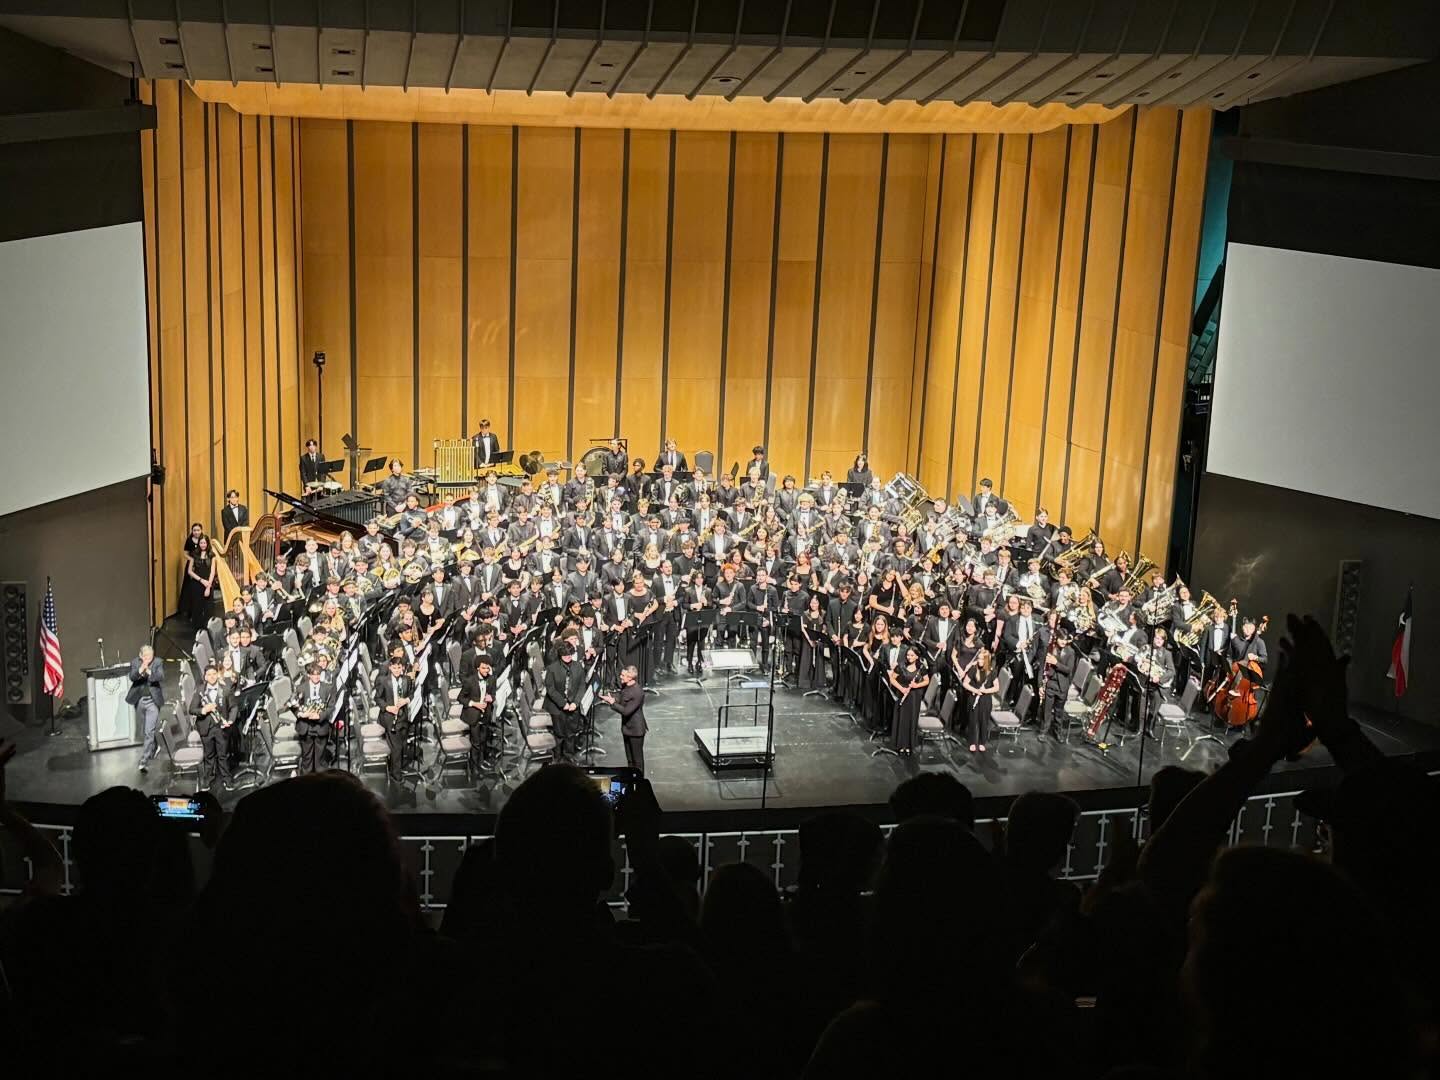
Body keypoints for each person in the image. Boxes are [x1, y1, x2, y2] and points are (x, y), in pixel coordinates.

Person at [189, 662, 234, 788]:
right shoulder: (199, 690)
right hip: (205, 728)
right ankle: (208, 778)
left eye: (214, 674)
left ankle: (227, 778)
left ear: (218, 675)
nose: (212, 676)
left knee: (223, 755)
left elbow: (234, 707)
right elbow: (191, 709)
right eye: (209, 674)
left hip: (221, 728)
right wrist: (203, 710)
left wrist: (230, 720)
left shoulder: (225, 689)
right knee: (208, 756)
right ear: (205, 677)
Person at [374, 655, 414, 783]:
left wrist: (406, 700)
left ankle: (395, 767)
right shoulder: (384, 681)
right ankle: (396, 774)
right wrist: (388, 708)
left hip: (403, 716)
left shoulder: (406, 680)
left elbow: (412, 693)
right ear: (390, 668)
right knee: (397, 747)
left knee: (401, 744)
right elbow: (378, 698)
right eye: (394, 668)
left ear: (402, 668)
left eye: (399, 668)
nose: (397, 670)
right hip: (389, 717)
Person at [601, 664, 647, 774]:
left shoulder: (637, 692)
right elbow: (622, 697)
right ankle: (631, 780)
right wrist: (612, 698)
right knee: (630, 760)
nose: (620, 677)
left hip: (636, 730)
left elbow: (626, 711)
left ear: (630, 677)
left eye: (623, 675)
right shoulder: (626, 686)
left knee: (637, 761)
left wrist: (612, 703)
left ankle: (639, 783)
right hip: (627, 728)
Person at [544, 637, 585, 761]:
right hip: (557, 706)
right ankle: (557, 756)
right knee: (559, 733)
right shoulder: (552, 668)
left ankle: (569, 755)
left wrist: (575, 703)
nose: (568, 657)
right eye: (565, 655)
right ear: (560, 654)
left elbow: (582, 686)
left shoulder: (578, 667)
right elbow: (551, 690)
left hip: (573, 706)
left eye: (570, 654)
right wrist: (563, 704)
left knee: (571, 733)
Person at [126, 644, 165, 773]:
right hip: (140, 700)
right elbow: (132, 677)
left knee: (149, 731)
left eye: (151, 655)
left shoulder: (158, 662)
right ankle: (154, 746)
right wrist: (140, 670)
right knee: (144, 730)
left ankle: (144, 760)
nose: (149, 658)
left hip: (153, 701)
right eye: (146, 656)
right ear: (140, 656)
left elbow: (160, 676)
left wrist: (149, 672)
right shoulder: (135, 662)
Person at [886, 645, 928, 756]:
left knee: (912, 719)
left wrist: (916, 685)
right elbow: (892, 679)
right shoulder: (901, 666)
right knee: (901, 719)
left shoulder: (921, 668)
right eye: (908, 655)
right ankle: (900, 745)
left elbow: (926, 681)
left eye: (912, 655)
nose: (909, 657)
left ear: (917, 656)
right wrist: (901, 688)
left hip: (915, 697)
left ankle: (909, 745)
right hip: (902, 694)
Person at [293, 663, 334, 774]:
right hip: (306, 727)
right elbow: (294, 706)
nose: (316, 677)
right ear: (309, 675)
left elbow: (331, 707)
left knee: (320, 759)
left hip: (321, 727)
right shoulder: (300, 688)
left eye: (318, 675)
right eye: (314, 674)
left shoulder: (328, 688)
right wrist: (300, 714)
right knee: (307, 759)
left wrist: (319, 716)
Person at [963, 648, 1000, 753]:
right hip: (973, 697)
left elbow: (997, 687)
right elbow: (965, 683)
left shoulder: (991, 671)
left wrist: (986, 691)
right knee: (973, 720)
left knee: (984, 721)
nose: (979, 661)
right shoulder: (973, 669)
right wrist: (975, 690)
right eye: (979, 659)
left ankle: (982, 742)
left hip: (985, 699)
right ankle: (972, 742)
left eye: (982, 659)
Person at [179, 533, 216, 626]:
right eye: (201, 543)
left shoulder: (212, 555)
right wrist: (201, 580)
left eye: (204, 543)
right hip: (196, 584)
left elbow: (212, 572)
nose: (203, 545)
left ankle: (208, 628)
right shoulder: (194, 554)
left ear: (207, 544)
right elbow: (190, 571)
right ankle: (197, 628)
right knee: (196, 607)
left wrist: (208, 586)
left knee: (208, 607)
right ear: (199, 544)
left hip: (208, 583)